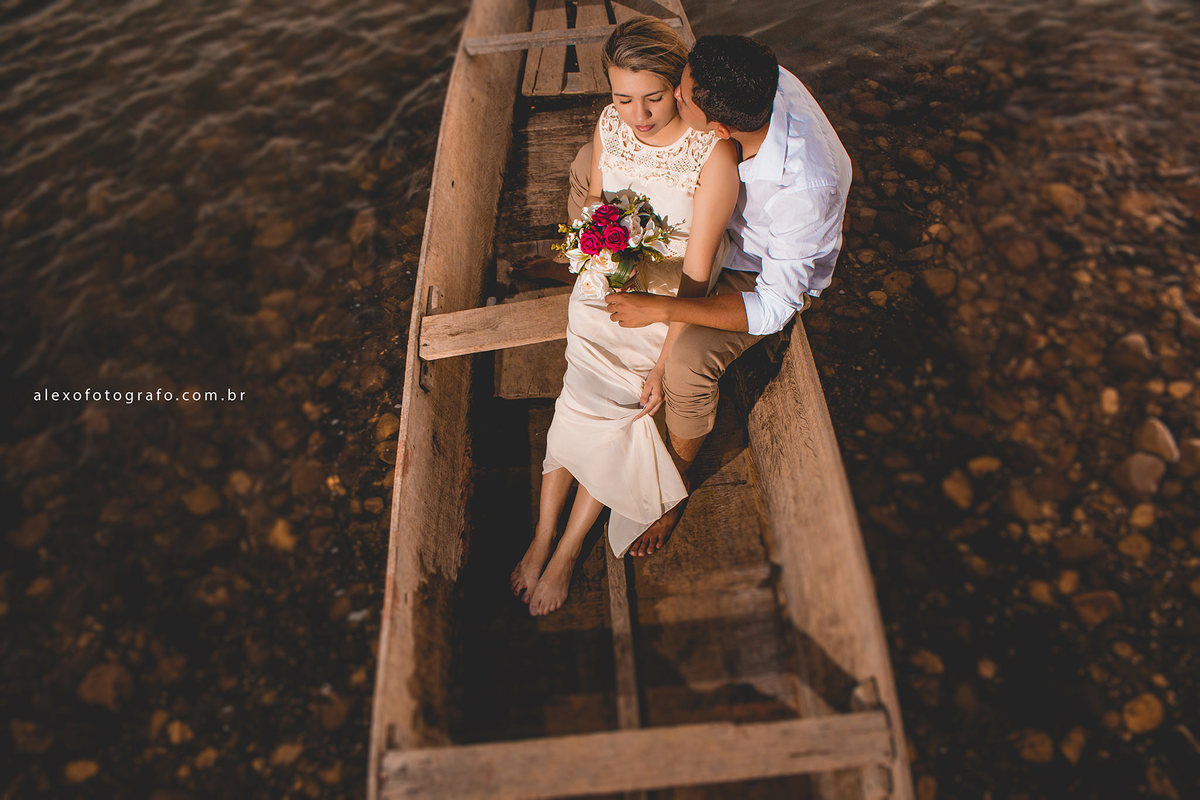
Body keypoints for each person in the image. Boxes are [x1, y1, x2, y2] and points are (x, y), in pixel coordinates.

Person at [509, 17, 740, 616]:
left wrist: (663, 362)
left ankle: (567, 551)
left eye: (653, 97)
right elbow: (596, 203)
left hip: (664, 303)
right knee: (574, 401)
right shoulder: (609, 124)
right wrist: (595, 245)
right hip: (604, 282)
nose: (637, 115)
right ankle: (542, 537)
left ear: (680, 85)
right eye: (623, 97)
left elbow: (697, 275)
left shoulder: (713, 154)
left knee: (613, 416)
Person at [604, 35, 853, 557]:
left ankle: (673, 483)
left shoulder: (805, 190)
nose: (675, 93)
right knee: (596, 164)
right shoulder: (753, 79)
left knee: (687, 364)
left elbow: (775, 306)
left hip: (757, 269)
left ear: (719, 129)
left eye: (680, 94)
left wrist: (665, 308)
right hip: (717, 220)